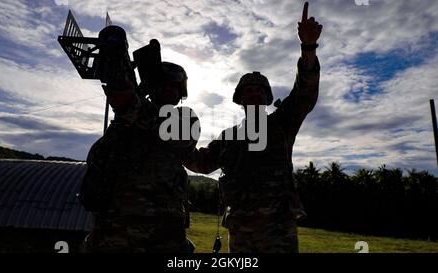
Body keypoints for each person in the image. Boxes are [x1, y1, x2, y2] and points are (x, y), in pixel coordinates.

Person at [184, 2, 322, 253]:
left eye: (260, 90)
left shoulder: (281, 124)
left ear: (268, 98)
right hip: (241, 233)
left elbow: (305, 93)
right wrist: (179, 140)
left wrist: (308, 48)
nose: (255, 94)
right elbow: (200, 163)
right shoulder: (229, 137)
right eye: (249, 90)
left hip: (279, 231)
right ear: (241, 99)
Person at [82, 60, 199, 253]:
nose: (169, 89)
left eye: (174, 86)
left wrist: (131, 98)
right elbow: (98, 155)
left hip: (163, 231)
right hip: (114, 229)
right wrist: (124, 98)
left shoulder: (185, 117)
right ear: (152, 87)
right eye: (163, 84)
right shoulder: (126, 119)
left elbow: (180, 140)